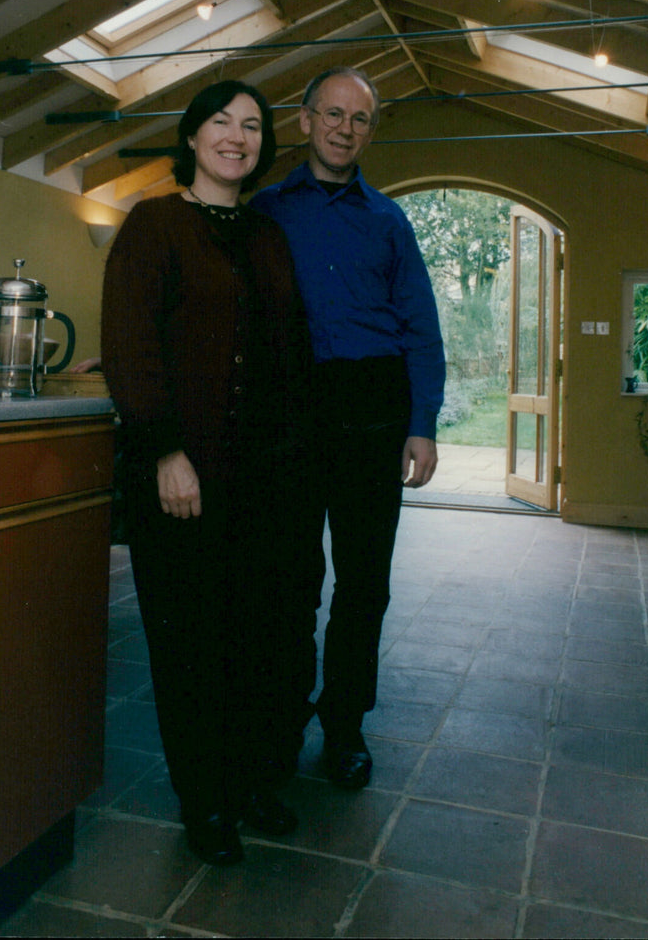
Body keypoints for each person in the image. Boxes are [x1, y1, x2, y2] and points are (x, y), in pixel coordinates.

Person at [101, 80, 316, 866]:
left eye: (252, 126)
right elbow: (130, 344)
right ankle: (206, 803)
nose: (238, 136)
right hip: (181, 478)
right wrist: (164, 452)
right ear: (192, 138)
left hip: (265, 482)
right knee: (191, 645)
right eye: (221, 123)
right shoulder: (153, 224)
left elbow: (290, 355)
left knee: (259, 639)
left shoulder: (267, 236)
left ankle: (254, 782)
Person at [251, 66, 445, 790]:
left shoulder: (389, 220)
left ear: (370, 130)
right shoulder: (266, 210)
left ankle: (344, 729)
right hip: (293, 409)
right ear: (304, 120)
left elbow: (420, 327)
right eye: (331, 114)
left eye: (358, 119)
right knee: (289, 582)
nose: (343, 128)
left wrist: (421, 425)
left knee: (364, 583)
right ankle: (279, 723)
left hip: (373, 406)